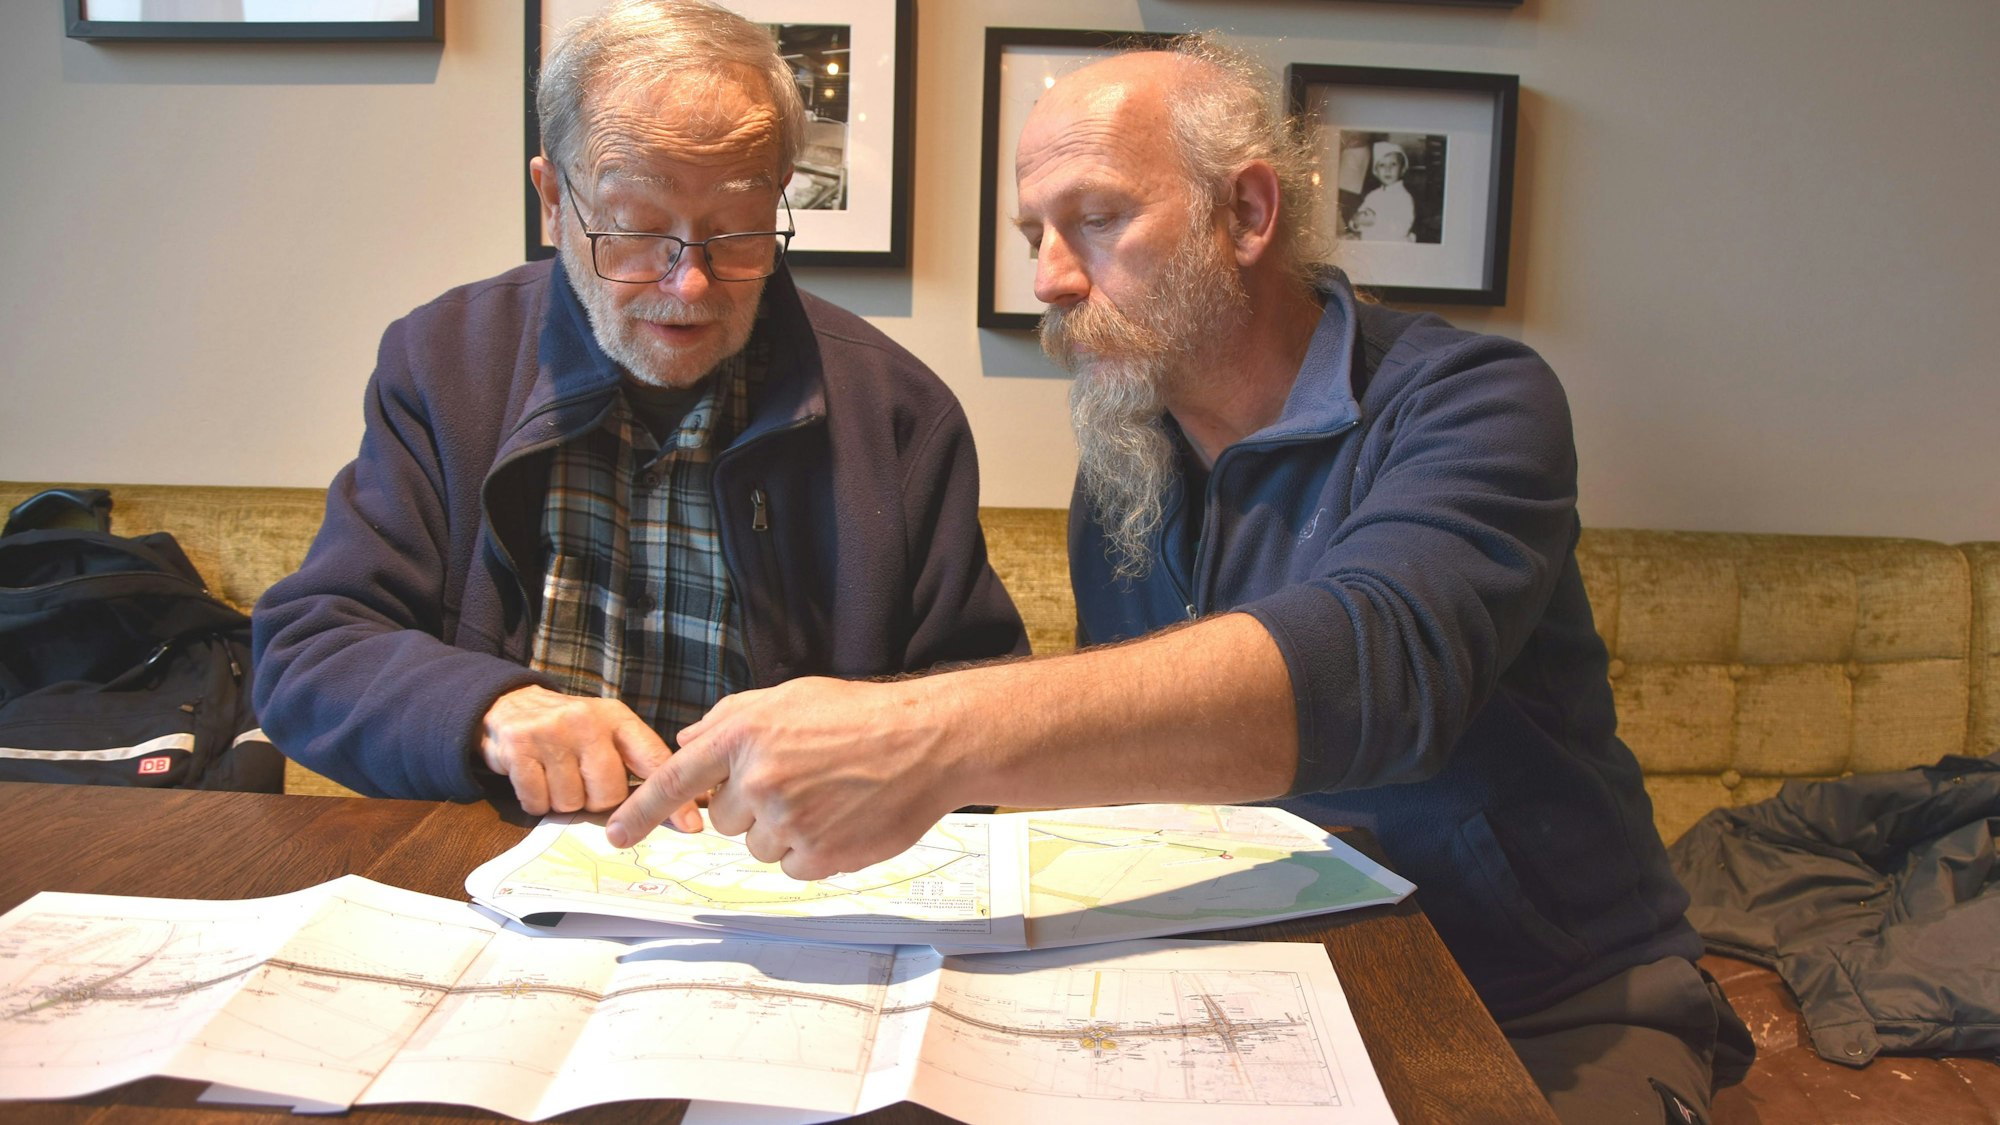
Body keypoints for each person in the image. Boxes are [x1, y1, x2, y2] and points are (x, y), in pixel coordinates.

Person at [609, 32, 1752, 1124]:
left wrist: (916, 733)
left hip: (1536, 1004)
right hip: (1272, 991)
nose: (1052, 278)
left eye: (1095, 220)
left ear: (1245, 212)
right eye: (1034, 235)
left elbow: (1380, 664)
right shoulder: (1123, 471)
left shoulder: (1471, 402)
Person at [250, 0, 1025, 814]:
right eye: (634, 227)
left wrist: (881, 740)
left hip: (791, 888)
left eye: (734, 232)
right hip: (504, 873)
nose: (688, 283)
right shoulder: (446, 364)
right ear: (553, 199)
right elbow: (310, 653)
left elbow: (985, 710)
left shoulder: (899, 414)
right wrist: (490, 709)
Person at [1351, 142, 1416, 242]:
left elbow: (1402, 229)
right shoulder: (1372, 196)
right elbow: (1358, 218)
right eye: (1382, 165)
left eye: (1393, 164)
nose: (1387, 169)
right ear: (1376, 171)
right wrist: (1356, 223)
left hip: (1393, 248)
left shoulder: (1404, 198)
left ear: (1402, 169)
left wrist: (1375, 221)